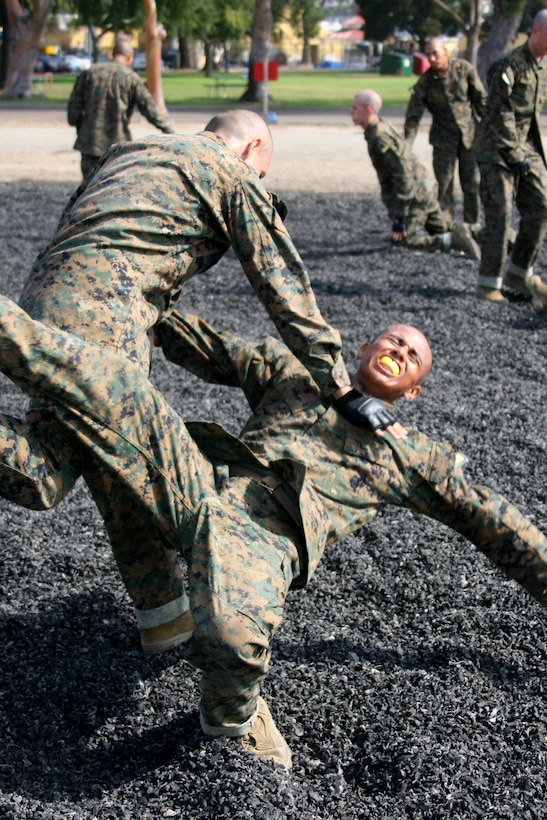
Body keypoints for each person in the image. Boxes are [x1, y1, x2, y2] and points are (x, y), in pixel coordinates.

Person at [0, 295, 545, 771]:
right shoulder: (298, 372)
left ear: (414, 391)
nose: (398, 352)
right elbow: (206, 344)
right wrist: (135, 307)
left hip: (264, 536)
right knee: (114, 388)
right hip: (204, 477)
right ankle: (164, 608)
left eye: (412, 357)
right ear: (362, 349)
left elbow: (495, 521)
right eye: (393, 341)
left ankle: (232, 719)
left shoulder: (411, 456)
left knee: (234, 643)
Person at [8, 108, 395, 655]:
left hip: (42, 301)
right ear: (251, 146)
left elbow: (81, 224)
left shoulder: (129, 152)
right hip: (105, 319)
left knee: (49, 470)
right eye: (263, 171)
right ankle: (171, 618)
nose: (261, 181)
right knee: (134, 463)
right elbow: (283, 286)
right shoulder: (231, 173)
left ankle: (164, 617)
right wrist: (340, 385)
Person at [351, 90, 481, 259]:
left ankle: (454, 242)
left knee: (404, 241)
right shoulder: (382, 126)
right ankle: (496, 235)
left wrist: (400, 216)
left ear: (368, 110)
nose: (351, 112)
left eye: (355, 108)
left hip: (416, 196)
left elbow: (402, 173)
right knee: (441, 228)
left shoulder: (379, 137)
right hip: (424, 187)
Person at [474, 9, 547, 306]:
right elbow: (500, 112)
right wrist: (514, 152)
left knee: (542, 206)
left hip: (524, 148)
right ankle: (488, 283)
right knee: (500, 216)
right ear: (537, 32)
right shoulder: (509, 65)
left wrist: (524, 153)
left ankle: (518, 272)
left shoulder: (539, 66)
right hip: (496, 151)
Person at [404, 38, 486, 225]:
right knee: (444, 185)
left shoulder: (464, 70)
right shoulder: (425, 83)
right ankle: (446, 227)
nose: (432, 58)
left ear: (445, 52)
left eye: (436, 53)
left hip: (469, 138)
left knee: (472, 184)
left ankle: (472, 226)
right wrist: (407, 145)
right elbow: (413, 117)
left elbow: (481, 101)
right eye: (428, 55)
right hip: (443, 140)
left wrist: (491, 130)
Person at [67, 37, 174, 180]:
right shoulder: (131, 78)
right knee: (114, 191)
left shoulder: (90, 73)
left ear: (113, 54)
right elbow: (149, 109)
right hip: (118, 146)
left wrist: (81, 127)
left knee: (89, 192)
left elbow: (74, 109)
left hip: (90, 143)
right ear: (129, 57)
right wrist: (168, 130)